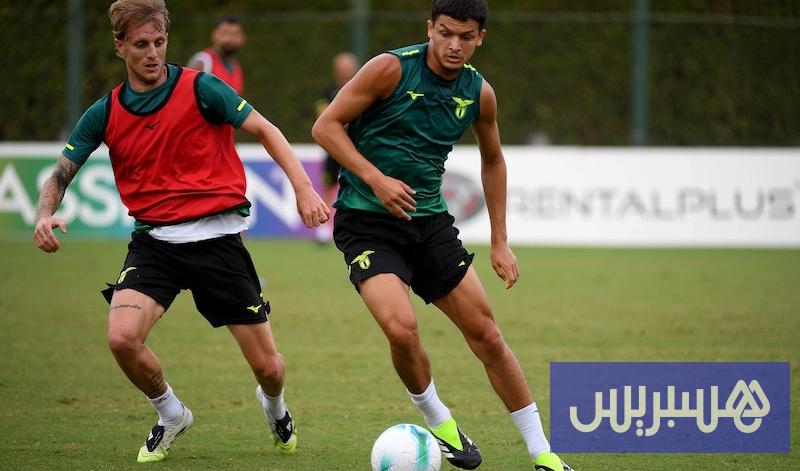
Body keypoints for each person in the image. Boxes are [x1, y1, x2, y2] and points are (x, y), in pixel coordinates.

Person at [33, 0, 329, 463]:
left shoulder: (202, 88)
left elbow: (266, 129)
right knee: (121, 338)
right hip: (155, 245)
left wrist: (304, 188)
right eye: (140, 44)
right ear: (120, 47)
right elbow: (60, 174)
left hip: (218, 242)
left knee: (269, 368)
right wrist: (44, 213)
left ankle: (274, 406)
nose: (152, 53)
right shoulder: (104, 112)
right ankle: (171, 413)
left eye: (159, 42)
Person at [312, 1, 572, 470]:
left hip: (429, 224)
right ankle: (440, 422)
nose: (455, 45)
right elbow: (325, 126)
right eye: (446, 33)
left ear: (480, 38)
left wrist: (499, 240)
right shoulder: (390, 69)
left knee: (487, 335)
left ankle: (543, 453)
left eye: (466, 37)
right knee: (401, 329)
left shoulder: (479, 93)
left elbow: (493, 160)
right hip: (366, 223)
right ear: (430, 28)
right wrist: (376, 179)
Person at [313, 52, 358, 243]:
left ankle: (357, 225)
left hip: (357, 148)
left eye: (348, 65)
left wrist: (339, 120)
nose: (345, 69)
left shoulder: (362, 88)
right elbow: (323, 116)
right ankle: (324, 227)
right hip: (334, 148)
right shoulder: (327, 92)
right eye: (342, 65)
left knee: (359, 184)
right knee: (328, 185)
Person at [187, 16, 246, 95]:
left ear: (242, 38)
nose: (228, 39)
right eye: (224, 33)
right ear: (214, 35)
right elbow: (187, 92)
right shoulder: (203, 61)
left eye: (234, 34)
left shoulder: (237, 67)